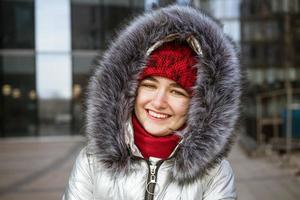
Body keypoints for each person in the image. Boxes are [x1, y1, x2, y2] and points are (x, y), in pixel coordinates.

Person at [63, 5, 240, 200]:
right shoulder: (91, 162)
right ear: (129, 91)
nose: (158, 102)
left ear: (200, 105)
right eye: (149, 85)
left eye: (177, 91)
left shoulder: (215, 174)